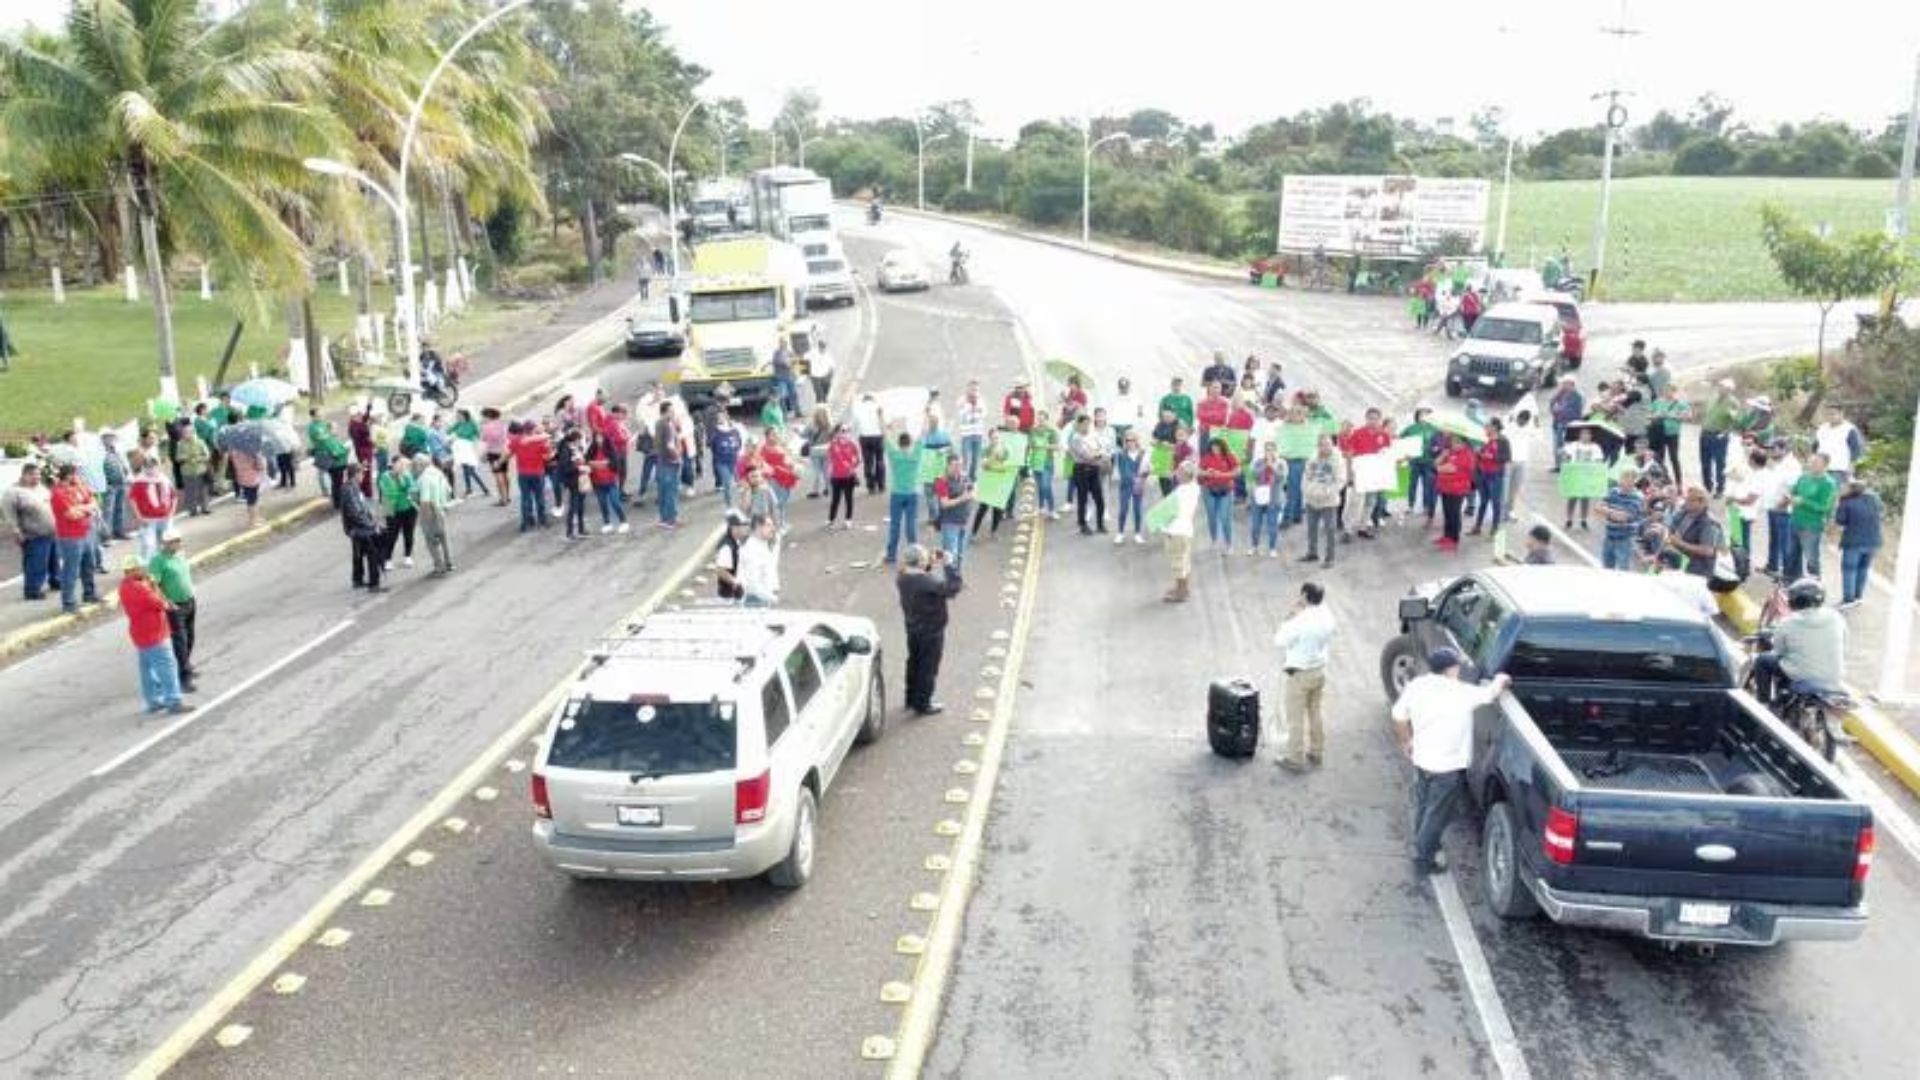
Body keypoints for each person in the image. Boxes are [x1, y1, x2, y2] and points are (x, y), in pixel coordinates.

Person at [1393, 648, 1511, 875]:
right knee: (1437, 815)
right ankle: (1422, 859)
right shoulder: (1461, 692)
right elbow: (1490, 693)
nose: (1459, 669)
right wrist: (1501, 678)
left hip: (1422, 759)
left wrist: (1406, 742)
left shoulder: (1417, 685)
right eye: (1456, 666)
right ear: (1450, 669)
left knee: (1424, 806)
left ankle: (1422, 844)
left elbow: (1398, 716)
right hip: (1446, 767)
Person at [1273, 582, 1336, 772]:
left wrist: (1290, 616)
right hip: (1319, 671)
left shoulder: (1300, 620)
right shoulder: (1327, 614)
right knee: (1315, 712)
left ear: (1305, 596)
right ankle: (1317, 751)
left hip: (1300, 673)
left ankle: (1295, 758)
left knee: (1295, 718)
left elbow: (1279, 640)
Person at [1751, 578, 1846, 703]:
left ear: (1794, 601)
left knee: (1763, 661)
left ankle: (1763, 704)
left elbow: (1778, 651)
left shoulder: (1788, 623)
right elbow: (1844, 643)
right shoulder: (1836, 617)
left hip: (1801, 675)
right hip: (1834, 676)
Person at [898, 543, 964, 717]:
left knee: (914, 663)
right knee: (928, 667)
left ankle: (911, 698)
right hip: (931, 630)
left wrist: (928, 563)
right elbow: (953, 588)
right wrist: (949, 564)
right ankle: (923, 703)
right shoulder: (927, 581)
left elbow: (920, 573)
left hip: (912, 627)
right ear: (920, 562)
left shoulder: (902, 577)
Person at [119, 556, 189, 714]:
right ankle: (173, 701)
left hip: (140, 634)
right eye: (142, 568)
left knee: (147, 670)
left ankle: (153, 701)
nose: (145, 570)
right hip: (154, 634)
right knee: (167, 667)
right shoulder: (140, 588)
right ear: (133, 570)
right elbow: (160, 603)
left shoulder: (124, 586)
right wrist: (153, 586)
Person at [148, 530, 198, 691]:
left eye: (179, 540)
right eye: (174, 541)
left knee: (190, 637)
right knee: (180, 642)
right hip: (175, 606)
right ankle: (183, 678)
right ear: (165, 543)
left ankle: (186, 665)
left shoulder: (180, 555)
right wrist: (167, 602)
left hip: (189, 601)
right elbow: (154, 585)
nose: (178, 543)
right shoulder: (158, 561)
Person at [2, 463, 58, 601]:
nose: (37, 477)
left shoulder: (41, 488)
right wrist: (16, 531)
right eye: (33, 474)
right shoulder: (13, 492)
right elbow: (9, 515)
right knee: (36, 564)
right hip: (33, 534)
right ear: (24, 475)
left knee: (54, 561)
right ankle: (32, 590)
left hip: (51, 532)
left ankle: (56, 581)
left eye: (38, 474)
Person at [50, 464, 101, 615]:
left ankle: (89, 594)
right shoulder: (58, 493)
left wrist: (84, 508)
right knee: (70, 570)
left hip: (87, 532)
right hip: (70, 537)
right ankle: (69, 603)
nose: (79, 477)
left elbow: (94, 502)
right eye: (76, 474)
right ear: (68, 476)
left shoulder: (80, 487)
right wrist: (88, 509)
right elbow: (71, 515)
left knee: (89, 565)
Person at [1786, 452, 1837, 581]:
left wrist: (1804, 502)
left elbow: (1824, 507)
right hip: (1795, 520)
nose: (1812, 465)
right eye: (1811, 462)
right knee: (1792, 553)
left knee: (1811, 557)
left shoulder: (1828, 483)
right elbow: (1794, 492)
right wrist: (1790, 496)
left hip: (1811, 525)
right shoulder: (1804, 477)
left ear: (1825, 466)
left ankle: (1814, 583)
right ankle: (1791, 579)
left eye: (1816, 463)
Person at [1833, 480, 1883, 610]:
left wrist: (1840, 503)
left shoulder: (1846, 501)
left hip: (1853, 541)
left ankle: (1848, 599)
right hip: (1872, 540)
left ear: (1851, 489)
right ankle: (1858, 597)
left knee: (1849, 570)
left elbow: (1840, 520)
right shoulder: (1874, 500)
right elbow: (1881, 512)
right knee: (1863, 569)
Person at [1662, 486, 1725, 579]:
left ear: (1701, 502)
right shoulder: (1684, 513)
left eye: (1690, 500)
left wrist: (1680, 543)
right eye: (1686, 499)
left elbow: (1708, 551)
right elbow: (1670, 529)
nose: (1686, 503)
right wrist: (1669, 536)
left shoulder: (1708, 522)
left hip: (1698, 567)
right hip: (1680, 557)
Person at [1299, 436, 1344, 565]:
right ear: (1318, 446)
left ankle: (1330, 558)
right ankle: (1312, 553)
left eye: (1327, 444)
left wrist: (1328, 492)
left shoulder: (1338, 460)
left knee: (1330, 530)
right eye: (1321, 445)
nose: (1324, 447)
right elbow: (1306, 475)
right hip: (1311, 499)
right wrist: (1306, 490)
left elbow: (1340, 480)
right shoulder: (1312, 458)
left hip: (1328, 501)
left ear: (1332, 445)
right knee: (1311, 528)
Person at [1161, 460, 1202, 603]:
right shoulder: (1194, 488)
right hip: (1186, 529)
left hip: (1176, 529)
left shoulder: (1182, 491)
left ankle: (1181, 592)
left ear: (1185, 474)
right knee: (1184, 560)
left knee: (1178, 562)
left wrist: (1162, 523)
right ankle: (1182, 588)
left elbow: (1170, 512)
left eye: (1179, 471)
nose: (1176, 473)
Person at [412, 451, 457, 574]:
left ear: (420, 465)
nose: (414, 469)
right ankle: (449, 563)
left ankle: (439, 566)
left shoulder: (424, 478)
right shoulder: (438, 472)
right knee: (444, 539)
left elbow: (425, 500)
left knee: (431, 541)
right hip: (442, 509)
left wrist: (424, 517)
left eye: (415, 466)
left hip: (430, 511)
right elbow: (449, 490)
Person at [1696, 379, 1740, 497]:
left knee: (1720, 463)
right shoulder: (1713, 398)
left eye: (1723, 387)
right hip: (1705, 433)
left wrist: (1724, 434)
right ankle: (1707, 487)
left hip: (1718, 436)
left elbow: (1733, 421)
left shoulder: (1732, 403)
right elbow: (1707, 414)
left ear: (1729, 390)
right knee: (1705, 462)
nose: (1719, 388)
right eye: (1719, 386)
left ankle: (1720, 489)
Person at [126, 458, 177, 560]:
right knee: (148, 545)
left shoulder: (165, 480)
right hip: (148, 518)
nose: (151, 470)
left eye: (153, 467)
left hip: (165, 517)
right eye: (148, 467)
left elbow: (174, 497)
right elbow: (132, 500)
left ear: (158, 467)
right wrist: (139, 517)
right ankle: (148, 568)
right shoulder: (139, 482)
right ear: (144, 468)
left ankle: (165, 564)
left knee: (166, 542)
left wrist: (172, 512)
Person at [1067, 414, 1109, 536]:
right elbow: (1086, 455)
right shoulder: (1075, 438)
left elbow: (1102, 448)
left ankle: (1100, 524)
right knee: (1083, 498)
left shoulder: (1092, 436)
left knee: (1099, 498)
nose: (1086, 426)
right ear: (1079, 424)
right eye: (1084, 424)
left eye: (1088, 424)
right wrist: (1098, 455)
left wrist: (1097, 454)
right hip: (1081, 469)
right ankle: (1083, 524)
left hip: (1094, 469)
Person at [1433, 434, 1475, 553]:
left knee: (1454, 514)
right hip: (1445, 487)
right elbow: (1435, 463)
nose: (1454, 444)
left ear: (1464, 443)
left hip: (1457, 489)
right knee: (1447, 512)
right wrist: (1442, 455)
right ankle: (1446, 536)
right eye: (1452, 442)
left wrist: (1439, 468)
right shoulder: (1450, 452)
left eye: (1457, 442)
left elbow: (1450, 468)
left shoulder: (1467, 454)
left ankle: (1454, 539)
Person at [933, 454, 975, 570]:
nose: (959, 468)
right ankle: (949, 582)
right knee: (950, 555)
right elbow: (944, 503)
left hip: (964, 521)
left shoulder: (964, 477)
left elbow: (972, 491)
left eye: (961, 465)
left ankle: (956, 579)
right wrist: (964, 498)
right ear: (948, 465)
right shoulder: (941, 481)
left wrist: (972, 492)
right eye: (955, 465)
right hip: (950, 522)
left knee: (960, 555)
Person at [1469, 419, 1510, 536]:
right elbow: (1480, 455)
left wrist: (1492, 456)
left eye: (1488, 426)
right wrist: (1479, 453)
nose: (1486, 428)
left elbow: (1506, 457)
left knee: (1495, 502)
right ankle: (1477, 526)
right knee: (1483, 501)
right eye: (1486, 426)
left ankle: (1495, 527)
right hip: (1483, 474)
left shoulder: (1503, 440)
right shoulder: (1484, 439)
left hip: (1495, 475)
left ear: (1495, 427)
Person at [1246, 442, 1287, 558]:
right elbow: (1253, 475)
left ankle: (1272, 548)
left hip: (1274, 498)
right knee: (1255, 524)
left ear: (1276, 451)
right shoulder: (1259, 462)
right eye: (1267, 450)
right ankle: (1254, 546)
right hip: (1259, 497)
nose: (1270, 452)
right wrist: (1265, 466)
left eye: (1272, 450)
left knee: (1272, 525)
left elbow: (1282, 477)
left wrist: (1272, 466)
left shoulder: (1281, 463)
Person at [1198, 436, 1239, 551]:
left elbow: (1237, 471)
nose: (1215, 449)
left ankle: (1229, 544)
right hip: (1209, 490)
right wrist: (1207, 472)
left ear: (1222, 447)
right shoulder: (1206, 457)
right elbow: (1199, 471)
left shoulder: (1229, 456)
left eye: (1218, 447)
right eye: (1213, 447)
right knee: (1211, 517)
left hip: (1226, 490)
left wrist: (1222, 474)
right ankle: (1214, 540)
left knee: (1225, 518)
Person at [377, 456, 420, 566]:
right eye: (400, 464)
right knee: (392, 535)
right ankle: (387, 559)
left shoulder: (406, 475)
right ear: (393, 464)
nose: (402, 467)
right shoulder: (385, 476)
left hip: (408, 508)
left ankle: (408, 556)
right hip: (392, 508)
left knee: (409, 533)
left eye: (404, 465)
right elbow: (390, 493)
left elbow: (413, 488)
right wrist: (405, 491)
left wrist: (406, 488)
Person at [1560, 426, 1603, 530]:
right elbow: (1564, 455)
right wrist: (1565, 457)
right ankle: (1569, 518)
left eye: (1588, 434)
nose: (1585, 436)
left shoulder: (1595, 447)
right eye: (1583, 433)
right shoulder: (1573, 445)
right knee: (1572, 498)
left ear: (1591, 436)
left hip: (1587, 476)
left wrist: (1596, 465)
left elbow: (1599, 460)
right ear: (1579, 435)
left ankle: (1583, 519)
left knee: (1585, 498)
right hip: (1575, 474)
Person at [1601, 471, 1645, 571]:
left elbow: (1624, 518)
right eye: (1624, 479)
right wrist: (1613, 513)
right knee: (1606, 569)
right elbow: (1598, 508)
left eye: (1629, 480)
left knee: (1623, 571)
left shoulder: (1638, 497)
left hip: (1625, 539)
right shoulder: (1613, 491)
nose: (1625, 482)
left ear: (1634, 482)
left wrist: (1607, 511)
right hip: (1609, 536)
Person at [1114, 429, 1151, 546]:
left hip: (1139, 485)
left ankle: (1137, 533)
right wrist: (1135, 478)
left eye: (1132, 440)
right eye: (1127, 440)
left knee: (1137, 510)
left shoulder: (1143, 453)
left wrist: (1144, 475)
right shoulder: (1121, 454)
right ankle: (1120, 533)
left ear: (1137, 441)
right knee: (1123, 509)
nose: (1130, 442)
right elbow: (1123, 471)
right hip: (1125, 485)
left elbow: (1147, 469)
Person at [1814, 404, 1865, 487]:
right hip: (1820, 469)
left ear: (1841, 414)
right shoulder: (1822, 428)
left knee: (1833, 495)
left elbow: (1857, 450)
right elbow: (1815, 446)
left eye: (1833, 414)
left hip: (1839, 470)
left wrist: (1851, 467)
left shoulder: (1849, 429)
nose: (1830, 416)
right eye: (1828, 414)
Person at [738, 512, 781, 607]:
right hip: (755, 600)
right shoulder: (751, 549)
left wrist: (774, 588)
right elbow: (752, 584)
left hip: (763, 597)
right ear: (758, 526)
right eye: (768, 525)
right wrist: (772, 598)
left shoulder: (762, 545)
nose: (773, 529)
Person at [654, 401, 684, 530]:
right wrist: (677, 457)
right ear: (665, 412)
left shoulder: (661, 423)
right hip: (669, 463)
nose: (673, 413)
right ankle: (670, 520)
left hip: (662, 462)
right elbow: (669, 445)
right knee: (670, 492)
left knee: (664, 492)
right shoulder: (665, 425)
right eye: (671, 411)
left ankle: (665, 519)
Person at [1026, 410, 1060, 520]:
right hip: (1035, 462)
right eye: (1039, 418)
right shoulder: (1033, 430)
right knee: (1040, 487)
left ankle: (1051, 509)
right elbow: (1029, 445)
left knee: (1046, 486)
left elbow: (1056, 446)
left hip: (1047, 463)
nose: (1040, 420)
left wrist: (1044, 445)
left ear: (1046, 419)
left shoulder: (1051, 431)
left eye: (1042, 418)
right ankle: (1041, 508)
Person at [826, 423, 861, 529]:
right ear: (837, 432)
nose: (844, 433)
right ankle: (831, 520)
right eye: (842, 430)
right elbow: (830, 458)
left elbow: (858, 459)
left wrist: (852, 466)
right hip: (836, 476)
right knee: (835, 499)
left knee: (848, 498)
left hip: (848, 476)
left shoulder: (852, 444)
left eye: (846, 430)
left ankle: (848, 519)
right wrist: (830, 469)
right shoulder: (833, 444)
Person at [712, 509, 751, 602]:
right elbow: (720, 570)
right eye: (743, 526)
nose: (746, 528)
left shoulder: (735, 542)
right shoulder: (727, 547)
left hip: (734, 596)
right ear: (734, 528)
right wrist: (736, 583)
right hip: (729, 598)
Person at [853, 393, 887, 493]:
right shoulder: (878, 407)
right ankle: (881, 484)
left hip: (864, 437)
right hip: (877, 436)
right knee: (879, 460)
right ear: (873, 400)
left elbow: (855, 424)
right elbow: (883, 422)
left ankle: (870, 485)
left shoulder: (858, 408)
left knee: (868, 462)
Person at [955, 382, 988, 480]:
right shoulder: (962, 400)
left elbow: (984, 413)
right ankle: (964, 477)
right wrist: (970, 407)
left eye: (976, 389)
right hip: (966, 434)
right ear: (968, 389)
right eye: (972, 389)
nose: (974, 391)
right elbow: (961, 415)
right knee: (965, 458)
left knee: (976, 457)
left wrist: (976, 409)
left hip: (978, 433)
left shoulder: (981, 400)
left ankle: (972, 477)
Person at [1109, 376, 1146, 444]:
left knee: (1128, 448)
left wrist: (1138, 428)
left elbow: (1140, 414)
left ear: (1128, 386)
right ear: (1118, 387)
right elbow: (1108, 413)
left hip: (1129, 426)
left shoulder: (1136, 398)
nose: (1123, 388)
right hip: (1115, 426)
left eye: (1125, 386)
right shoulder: (1112, 397)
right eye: (1121, 386)